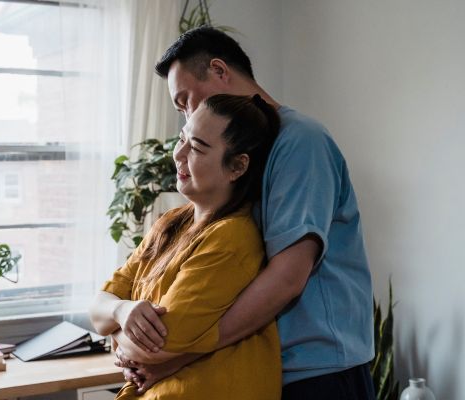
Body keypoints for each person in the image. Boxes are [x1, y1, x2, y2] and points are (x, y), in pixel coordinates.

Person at [117, 27, 375, 400]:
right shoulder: (230, 164)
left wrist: (178, 357)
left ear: (220, 71)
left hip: (317, 371)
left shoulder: (299, 140)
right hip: (263, 369)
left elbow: (288, 277)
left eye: (186, 100)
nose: (189, 117)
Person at [90, 94, 282, 399]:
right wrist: (122, 310)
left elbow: (155, 344)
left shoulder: (231, 237)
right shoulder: (171, 222)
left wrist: (115, 327)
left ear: (237, 166)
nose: (179, 154)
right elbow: (97, 309)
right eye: (182, 139)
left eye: (197, 148)